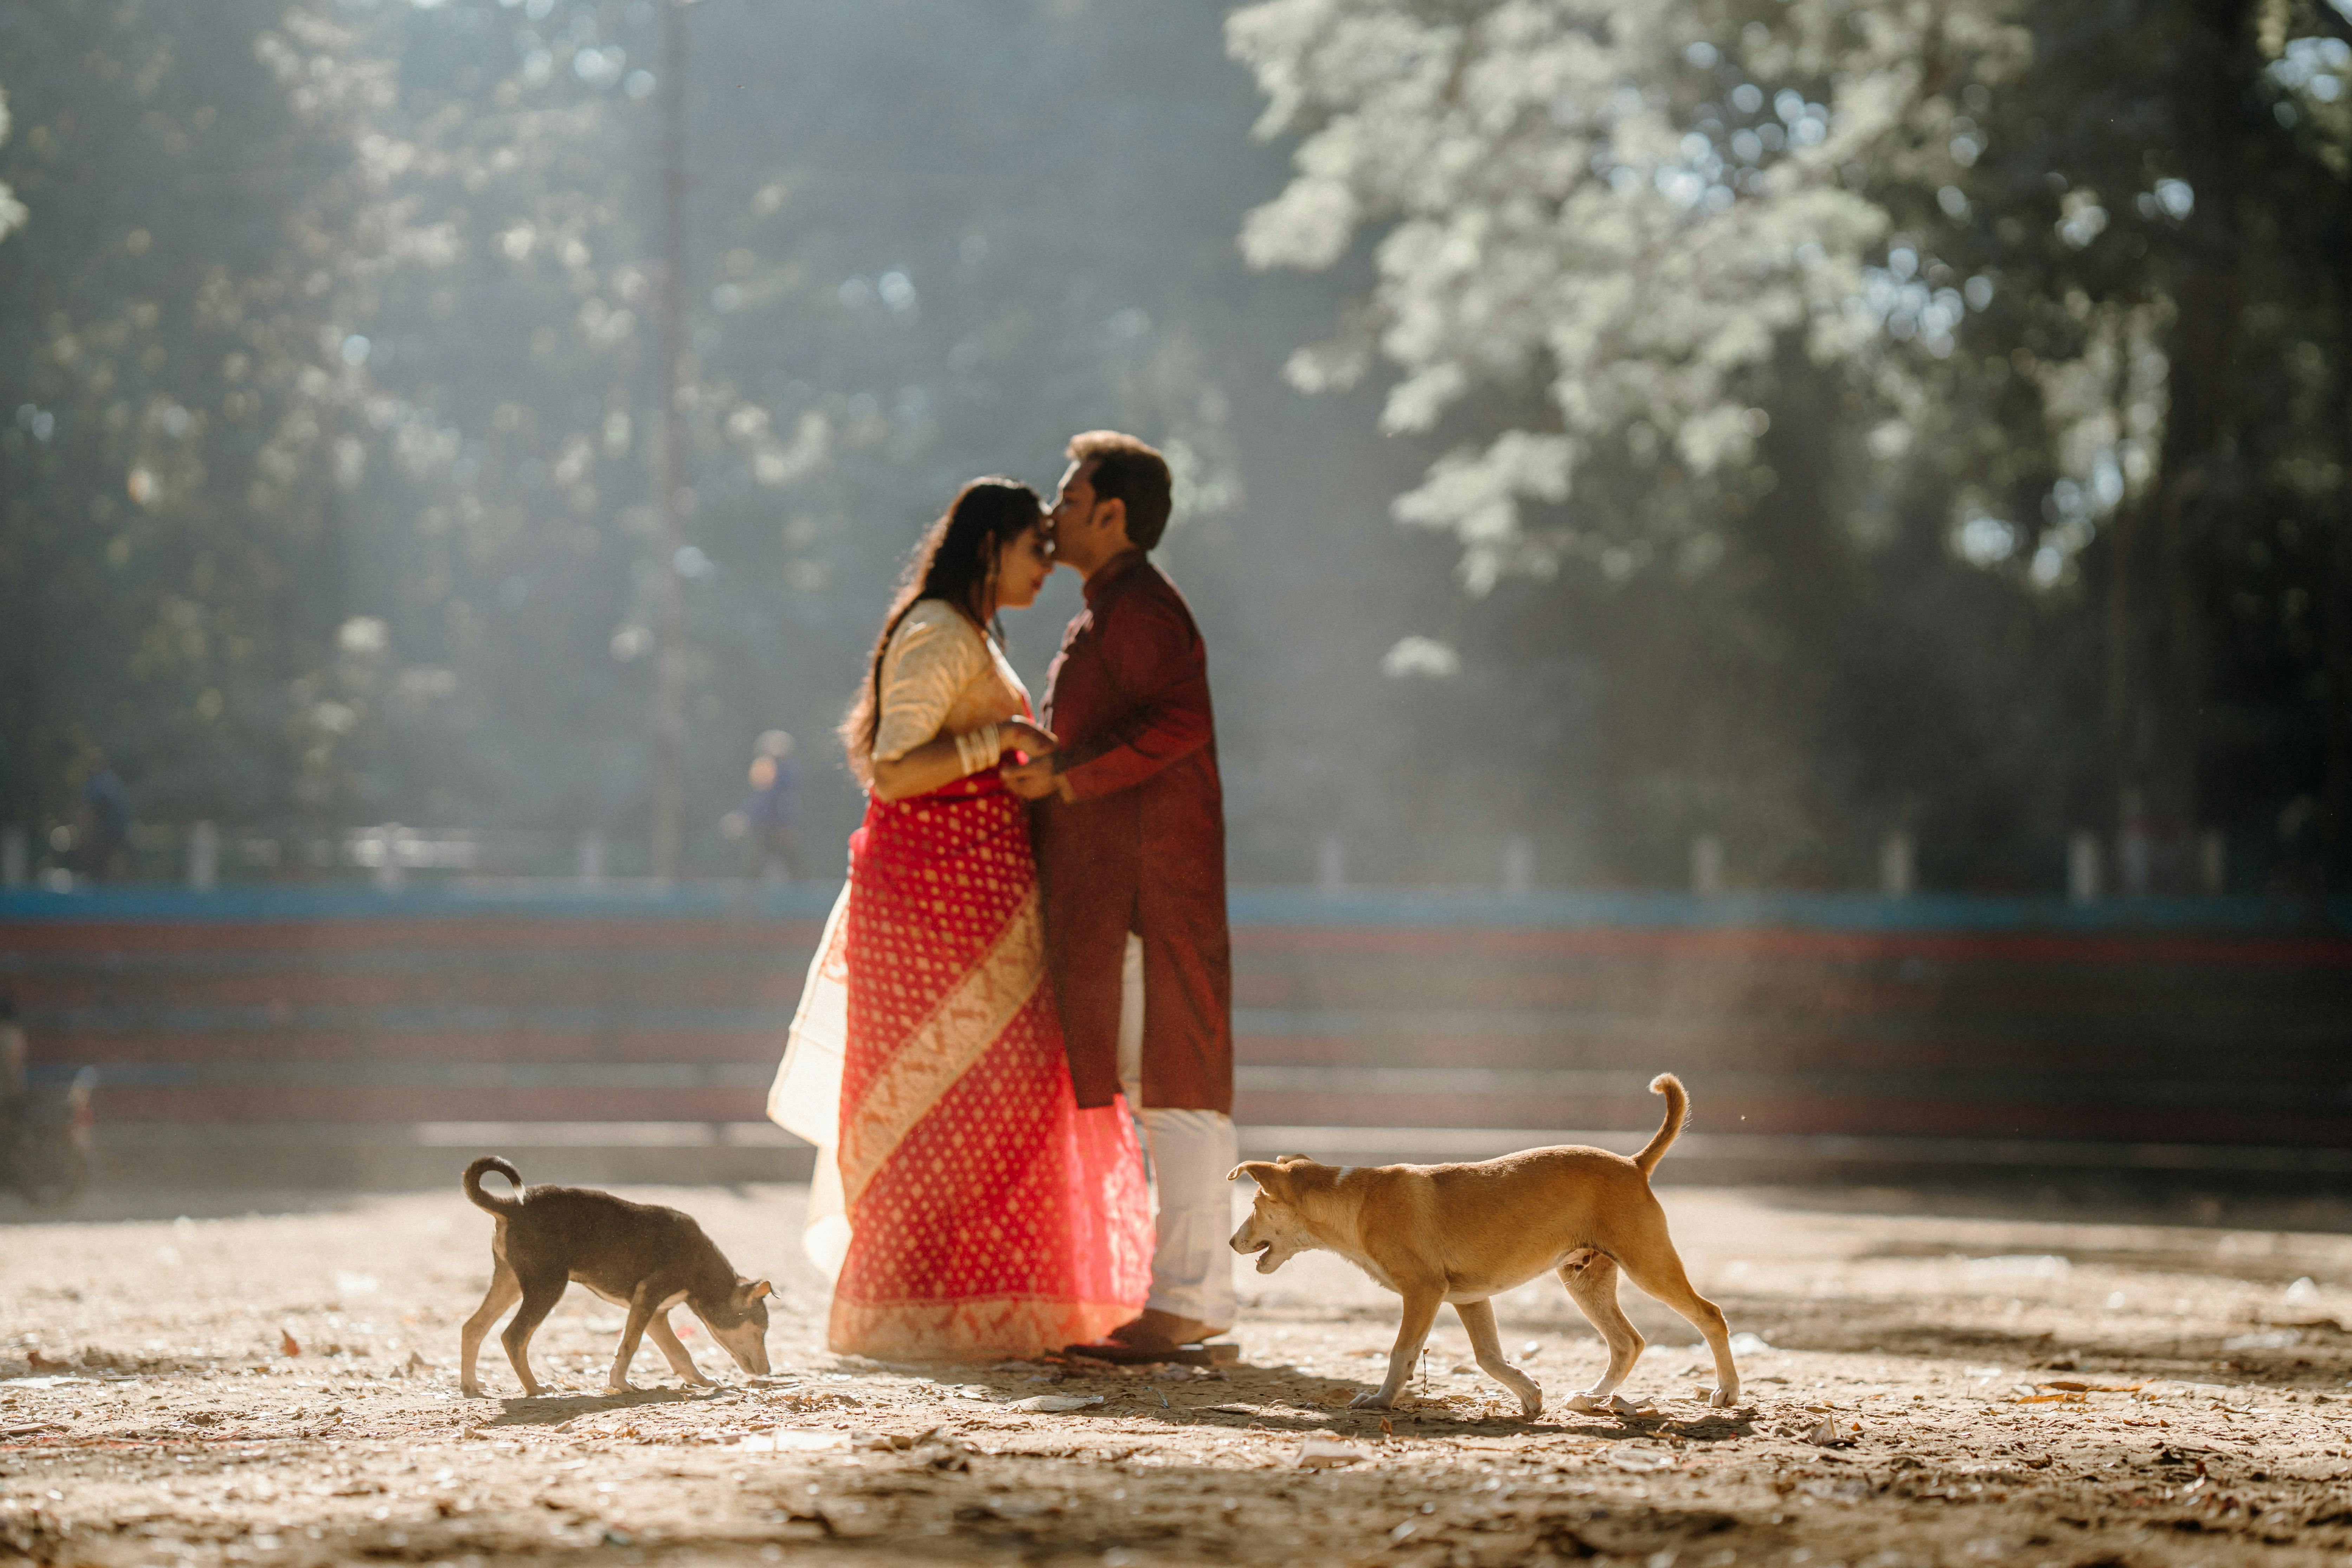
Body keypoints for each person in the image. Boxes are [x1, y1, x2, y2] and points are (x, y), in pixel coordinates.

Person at [766, 477, 1151, 1360]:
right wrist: (1004, 744)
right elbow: (893, 771)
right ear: (989, 547)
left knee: (1010, 1103)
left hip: (986, 906)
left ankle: (1005, 1306)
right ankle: (914, 1313)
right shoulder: (936, 629)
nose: (1047, 566)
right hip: (929, 912)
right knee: (932, 1104)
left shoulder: (971, 631)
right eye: (1034, 549)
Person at [1002, 431, 1237, 1356]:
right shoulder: (1111, 610)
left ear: (1111, 514)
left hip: (1153, 888)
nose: (1052, 517)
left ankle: (1188, 1298)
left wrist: (1068, 777)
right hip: (1131, 887)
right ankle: (1193, 1293)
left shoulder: (1138, 609)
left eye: (1067, 500)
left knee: (1174, 1085)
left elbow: (1178, 722)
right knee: (1160, 1082)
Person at [723, 730, 803, 882]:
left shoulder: (787, 771)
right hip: (767, 829)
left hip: (780, 828)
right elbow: (761, 799)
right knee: (758, 867)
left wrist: (747, 818)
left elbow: (772, 800)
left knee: (792, 868)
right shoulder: (769, 769)